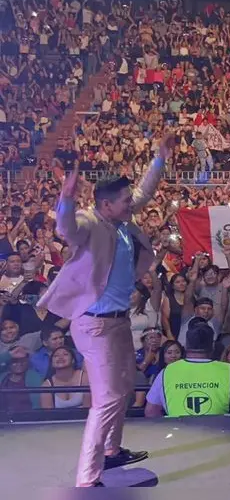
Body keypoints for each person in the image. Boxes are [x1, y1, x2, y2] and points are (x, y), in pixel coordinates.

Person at [37, 136, 175, 488]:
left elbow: (143, 193)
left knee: (125, 386)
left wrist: (159, 159)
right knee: (108, 398)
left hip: (117, 321)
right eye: (125, 201)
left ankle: (112, 451)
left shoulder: (121, 219)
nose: (133, 204)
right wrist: (65, 198)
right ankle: (87, 477)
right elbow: (65, 227)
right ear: (105, 204)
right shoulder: (89, 222)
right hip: (95, 326)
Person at [144, 323, 230, 417]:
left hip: (177, 437)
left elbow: (151, 412)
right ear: (212, 346)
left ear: (186, 345)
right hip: (218, 437)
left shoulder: (167, 372)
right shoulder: (229, 371)